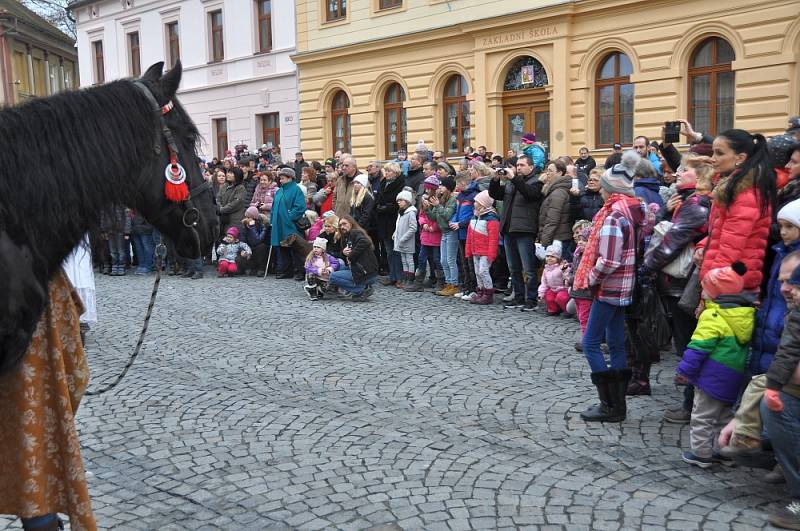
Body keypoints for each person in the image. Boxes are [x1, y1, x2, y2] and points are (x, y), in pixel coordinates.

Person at [574, 150, 649, 422]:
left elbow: (609, 260)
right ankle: (618, 406)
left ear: (610, 189)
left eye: (604, 187)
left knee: (592, 343)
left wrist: (590, 278)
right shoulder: (632, 210)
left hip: (609, 288)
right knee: (616, 344)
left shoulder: (614, 216)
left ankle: (609, 403)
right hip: (624, 288)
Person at [642, 159, 714, 403]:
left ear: (702, 176)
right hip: (679, 281)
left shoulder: (695, 204)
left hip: (682, 283)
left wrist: (647, 267)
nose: (678, 173)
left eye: (685, 170)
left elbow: (672, 242)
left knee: (688, 342)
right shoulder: (686, 200)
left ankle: (690, 403)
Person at [677, 263, 753, 468]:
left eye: (704, 288)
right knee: (725, 415)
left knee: (702, 415)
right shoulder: (746, 315)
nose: (702, 292)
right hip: (734, 376)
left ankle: (701, 454)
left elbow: (699, 347)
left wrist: (685, 370)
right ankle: (726, 452)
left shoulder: (713, 316)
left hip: (711, 375)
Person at [488, 155, 544, 312]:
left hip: (525, 229)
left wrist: (513, 179)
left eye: (522, 165)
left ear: (531, 167)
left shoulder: (536, 182)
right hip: (508, 229)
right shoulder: (512, 183)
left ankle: (531, 300)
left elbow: (529, 194)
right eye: (517, 165)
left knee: (529, 269)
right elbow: (495, 194)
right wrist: (495, 180)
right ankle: (519, 298)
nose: (518, 167)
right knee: (514, 268)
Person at [407, 176, 444, 292]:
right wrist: (423, 224)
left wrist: (434, 226)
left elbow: (440, 217)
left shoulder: (439, 201)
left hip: (436, 235)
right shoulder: (424, 199)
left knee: (437, 259)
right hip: (425, 235)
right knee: (422, 258)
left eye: (429, 189)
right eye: (426, 188)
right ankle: (418, 283)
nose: (427, 191)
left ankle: (440, 282)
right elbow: (421, 215)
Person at [328, 215, 379, 300]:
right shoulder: (345, 237)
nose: (342, 227)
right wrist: (343, 253)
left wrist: (351, 256)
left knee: (332, 276)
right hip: (357, 269)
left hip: (366, 273)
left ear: (351, 224)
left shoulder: (355, 232)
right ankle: (361, 287)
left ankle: (361, 290)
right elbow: (344, 257)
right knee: (337, 266)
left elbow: (364, 241)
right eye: (340, 225)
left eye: (344, 224)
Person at [270, 167, 307, 280]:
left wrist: (289, 217)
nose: (280, 181)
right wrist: (272, 220)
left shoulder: (296, 189)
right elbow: (274, 207)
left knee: (295, 248)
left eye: (283, 178)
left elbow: (300, 207)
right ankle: (286, 270)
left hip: (290, 224)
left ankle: (300, 271)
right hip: (279, 224)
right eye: (280, 178)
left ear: (290, 178)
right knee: (282, 247)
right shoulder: (279, 191)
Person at [465, 190, 500, 305]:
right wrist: (468, 250)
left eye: (477, 202)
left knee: (483, 271)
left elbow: (493, 239)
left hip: (485, 252)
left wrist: (491, 254)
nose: (474, 203)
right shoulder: (475, 217)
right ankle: (480, 291)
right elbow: (470, 236)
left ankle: (488, 293)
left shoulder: (491, 219)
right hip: (476, 251)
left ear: (484, 204)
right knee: (477, 272)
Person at [375, 162, 406, 286]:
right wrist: (378, 206)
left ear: (396, 172)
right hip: (384, 221)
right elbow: (378, 199)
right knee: (388, 250)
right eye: (386, 171)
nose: (386, 173)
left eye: (389, 171)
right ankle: (392, 275)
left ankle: (399, 277)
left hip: (394, 220)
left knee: (397, 250)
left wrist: (388, 207)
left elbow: (401, 203)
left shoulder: (401, 184)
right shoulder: (383, 183)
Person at [430, 176, 459, 296]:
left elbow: (447, 215)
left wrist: (437, 205)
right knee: (443, 260)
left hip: (451, 231)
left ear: (448, 188)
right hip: (444, 232)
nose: (440, 188)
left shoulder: (453, 199)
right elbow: (433, 217)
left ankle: (454, 284)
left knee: (450, 259)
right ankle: (448, 283)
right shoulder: (441, 199)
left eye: (442, 186)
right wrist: (428, 208)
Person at [451, 171, 478, 300]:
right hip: (460, 233)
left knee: (471, 262)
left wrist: (461, 224)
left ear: (462, 182)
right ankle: (466, 287)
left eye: (457, 183)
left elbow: (474, 215)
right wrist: (453, 220)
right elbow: (457, 211)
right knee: (463, 263)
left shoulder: (474, 195)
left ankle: (473, 289)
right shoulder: (460, 196)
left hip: (469, 232)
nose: (457, 186)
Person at [538, 159, 574, 252]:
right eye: (547, 170)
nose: (547, 173)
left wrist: (544, 242)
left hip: (557, 239)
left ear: (559, 173)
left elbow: (552, 220)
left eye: (550, 171)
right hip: (557, 237)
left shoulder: (558, 192)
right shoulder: (554, 189)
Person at [569, 222, 594, 349]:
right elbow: (574, 269)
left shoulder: (590, 257)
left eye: (584, 240)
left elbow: (583, 274)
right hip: (577, 291)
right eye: (579, 240)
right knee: (581, 317)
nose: (580, 242)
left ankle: (586, 342)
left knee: (585, 318)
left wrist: (571, 279)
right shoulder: (577, 254)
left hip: (585, 292)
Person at [393, 189, 418, 288]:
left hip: (407, 241)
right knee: (403, 260)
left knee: (409, 260)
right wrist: (395, 233)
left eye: (401, 200)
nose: (399, 202)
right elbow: (398, 225)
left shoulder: (411, 212)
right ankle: (406, 278)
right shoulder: (401, 212)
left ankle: (410, 279)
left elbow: (413, 228)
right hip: (400, 241)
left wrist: (403, 238)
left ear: (407, 201)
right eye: (398, 200)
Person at [538, 245, 570, 316]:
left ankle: (567, 310)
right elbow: (544, 283)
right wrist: (541, 293)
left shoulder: (562, 267)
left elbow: (567, 277)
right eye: (548, 256)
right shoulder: (546, 269)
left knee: (561, 297)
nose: (549, 258)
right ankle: (554, 309)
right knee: (549, 296)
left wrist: (564, 270)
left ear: (558, 258)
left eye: (552, 257)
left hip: (563, 289)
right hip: (553, 289)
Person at [100, 205, 131, 276]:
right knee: (112, 251)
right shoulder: (106, 205)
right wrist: (103, 231)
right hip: (110, 231)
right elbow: (103, 218)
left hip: (121, 231)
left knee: (121, 251)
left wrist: (127, 232)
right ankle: (115, 266)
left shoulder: (123, 204)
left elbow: (128, 218)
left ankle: (121, 267)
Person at [240, 206, 269, 276]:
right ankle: (248, 267)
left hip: (258, 246)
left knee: (262, 247)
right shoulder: (245, 225)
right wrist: (243, 249)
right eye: (246, 217)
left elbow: (257, 240)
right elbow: (242, 239)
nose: (246, 219)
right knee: (242, 249)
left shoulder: (262, 225)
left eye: (248, 217)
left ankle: (261, 269)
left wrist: (252, 227)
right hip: (249, 246)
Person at [218, 167, 247, 234]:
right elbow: (218, 198)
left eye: (231, 173)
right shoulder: (225, 186)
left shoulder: (241, 188)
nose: (227, 174)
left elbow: (235, 204)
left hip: (235, 220)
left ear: (237, 175)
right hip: (223, 219)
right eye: (228, 172)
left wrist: (221, 209)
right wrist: (219, 207)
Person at [130, 210, 155, 275]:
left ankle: (147, 266)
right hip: (135, 229)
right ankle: (141, 265)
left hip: (144, 228)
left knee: (147, 248)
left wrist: (146, 225)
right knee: (139, 249)